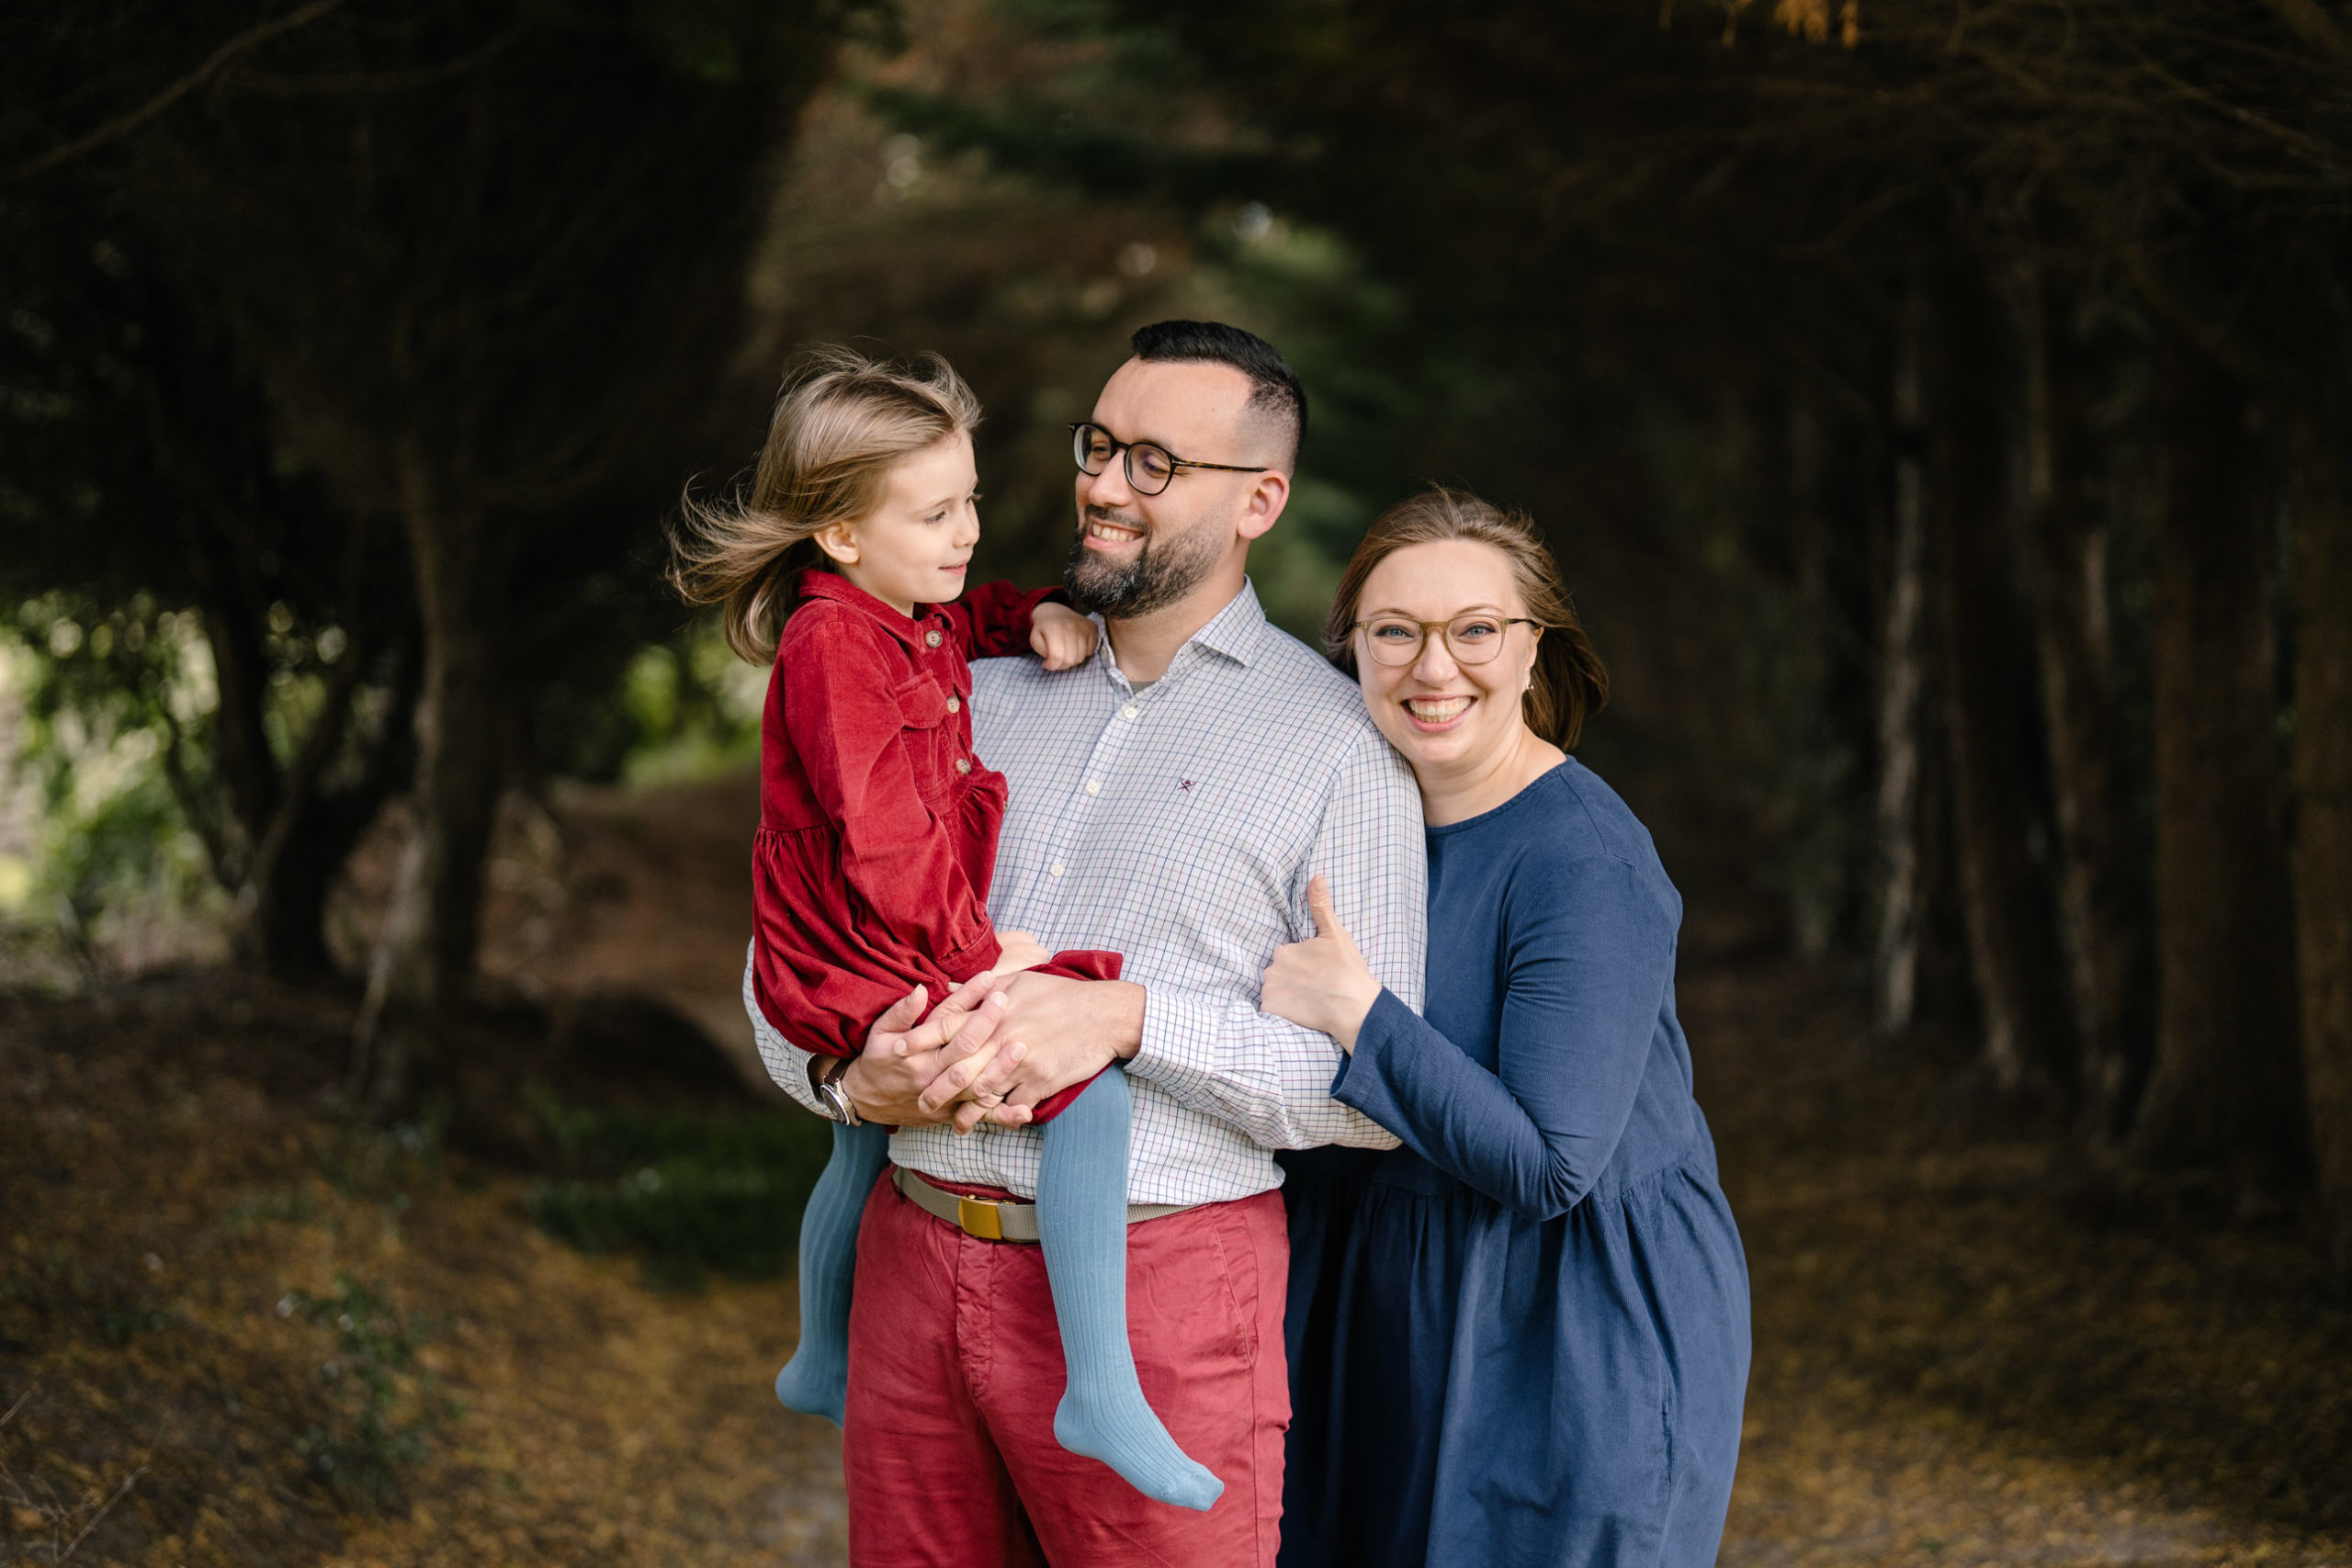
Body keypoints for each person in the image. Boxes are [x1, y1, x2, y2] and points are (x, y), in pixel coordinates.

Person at [745, 321, 1427, 1567]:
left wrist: (1131, 1019)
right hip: (911, 1254)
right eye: (1099, 445)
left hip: (1159, 1286)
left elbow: (1370, 1095)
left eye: (1155, 461)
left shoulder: (1339, 748)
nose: (1105, 484)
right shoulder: (959, 665)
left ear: (1260, 498)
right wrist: (843, 1077)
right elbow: (788, 947)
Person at [669, 349, 1228, 1508]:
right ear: (836, 536)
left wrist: (1039, 612)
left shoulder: (898, 607)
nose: (967, 529)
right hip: (863, 935)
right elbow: (879, 838)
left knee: (861, 1143)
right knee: (1091, 1089)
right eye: (935, 513)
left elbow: (967, 613)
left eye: (970, 498)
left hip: (870, 929)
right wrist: (982, 958)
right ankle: (1102, 1389)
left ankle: (821, 1353)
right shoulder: (830, 648)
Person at [1261, 489, 1751, 1568]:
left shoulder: (1583, 860)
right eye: (1396, 632)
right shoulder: (1347, 812)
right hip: (1377, 1305)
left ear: (1534, 649)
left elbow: (1548, 1163)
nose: (1434, 669)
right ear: (1352, 650)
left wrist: (1358, 1015)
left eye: (1475, 630)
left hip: (1564, 1331)